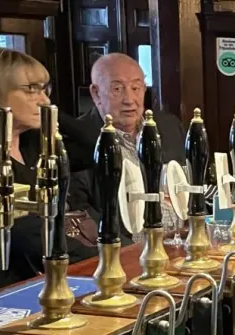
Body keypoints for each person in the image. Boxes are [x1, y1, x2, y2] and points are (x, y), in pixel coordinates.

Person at [0, 47, 96, 300]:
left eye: (44, 89)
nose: (42, 98)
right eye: (31, 89)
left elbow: (92, 149)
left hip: (39, 273)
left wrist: (52, 116)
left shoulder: (32, 141)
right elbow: (28, 233)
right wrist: (100, 260)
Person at [59, 53, 184, 220]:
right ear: (96, 94)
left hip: (181, 241)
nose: (129, 100)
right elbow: (84, 217)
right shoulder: (78, 141)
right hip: (124, 244)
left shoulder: (169, 127)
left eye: (136, 88)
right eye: (117, 89)